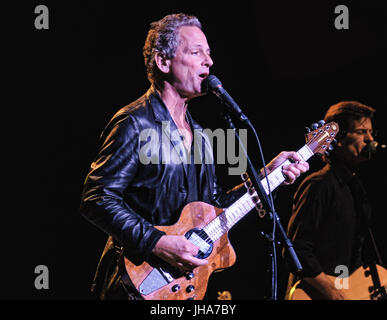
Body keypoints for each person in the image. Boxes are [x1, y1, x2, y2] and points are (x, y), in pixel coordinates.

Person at [80, 13, 309, 300]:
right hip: (133, 284)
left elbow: (214, 209)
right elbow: (97, 198)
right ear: (163, 62)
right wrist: (157, 242)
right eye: (196, 52)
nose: (209, 62)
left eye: (209, 53)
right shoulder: (134, 123)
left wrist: (267, 177)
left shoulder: (201, 135)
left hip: (181, 289)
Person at [285, 101, 378, 300]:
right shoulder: (320, 184)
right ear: (340, 138)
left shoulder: (356, 189)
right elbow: (296, 250)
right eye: (362, 132)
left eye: (371, 133)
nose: (370, 139)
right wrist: (332, 292)